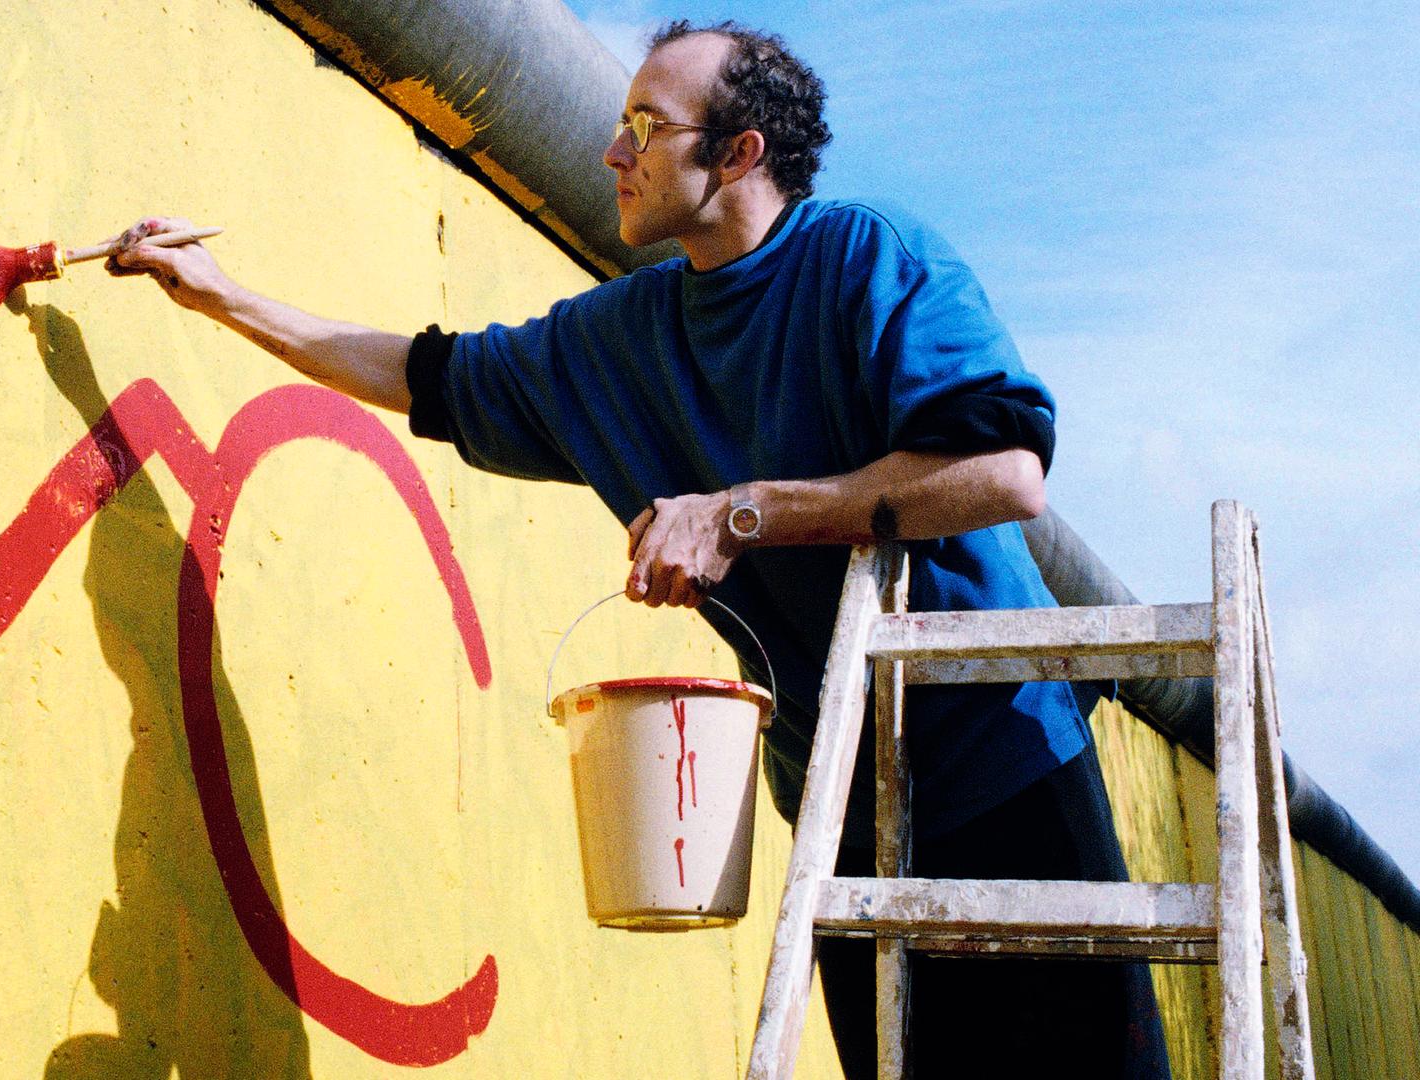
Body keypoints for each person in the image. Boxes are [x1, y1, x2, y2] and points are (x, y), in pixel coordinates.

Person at [106, 18, 1170, 1079]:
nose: (613, 153)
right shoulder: (617, 339)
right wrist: (221, 296)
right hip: (836, 799)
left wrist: (738, 509)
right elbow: (428, 377)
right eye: (619, 124)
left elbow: (1002, 473)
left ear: (741, 152)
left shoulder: (866, 258)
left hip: (1008, 759)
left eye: (646, 128)